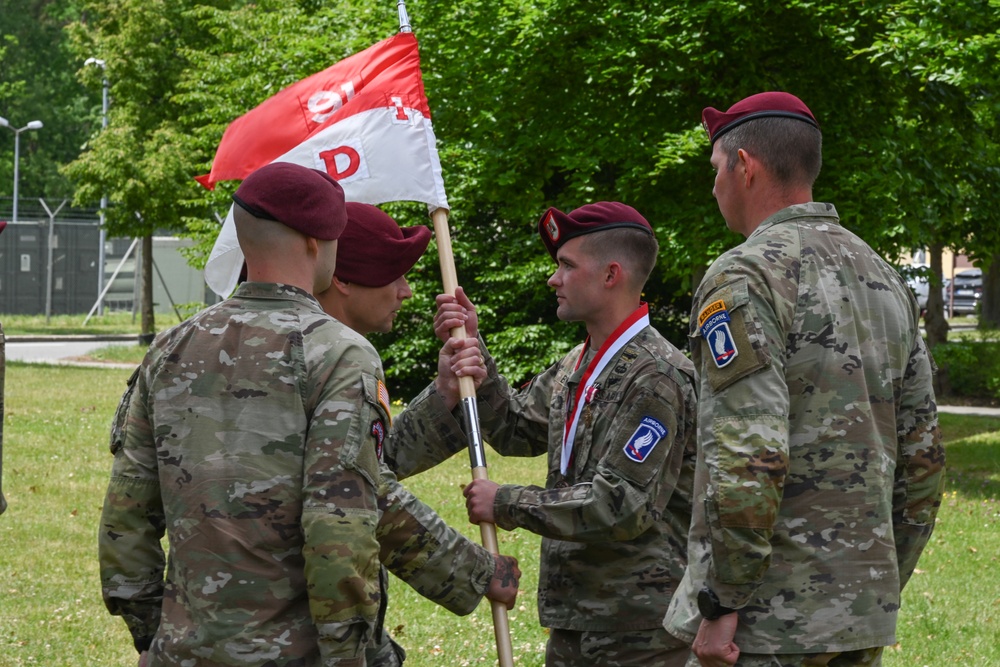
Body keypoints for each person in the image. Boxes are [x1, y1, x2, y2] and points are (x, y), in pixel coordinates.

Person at [662, 92, 946, 667]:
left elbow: (747, 455)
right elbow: (923, 461)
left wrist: (722, 605)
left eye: (715, 169)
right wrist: (869, 585)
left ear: (745, 166)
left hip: (763, 627)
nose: (713, 186)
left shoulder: (745, 272)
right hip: (857, 614)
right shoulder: (884, 277)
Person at [389, 203, 699, 666]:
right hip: (577, 622)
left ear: (611, 274)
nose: (554, 279)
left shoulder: (657, 375)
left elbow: (622, 505)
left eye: (566, 266)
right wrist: (477, 355)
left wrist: (507, 502)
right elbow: (515, 430)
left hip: (640, 633)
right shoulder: (580, 364)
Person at [100, 162, 383, 666]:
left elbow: (126, 515)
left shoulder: (170, 347)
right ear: (317, 243)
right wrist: (348, 655)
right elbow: (338, 528)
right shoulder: (339, 353)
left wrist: (152, 635)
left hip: (180, 651)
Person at [315, 201, 521, 666]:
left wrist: (446, 390)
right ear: (342, 279)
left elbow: (368, 460)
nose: (406, 291)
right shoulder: (335, 359)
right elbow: (360, 491)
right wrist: (477, 571)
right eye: (394, 274)